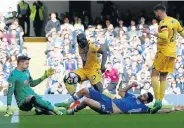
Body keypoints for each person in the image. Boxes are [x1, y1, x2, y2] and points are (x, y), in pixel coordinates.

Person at [142, 4, 184, 113]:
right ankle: (159, 100)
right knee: (163, 77)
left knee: (154, 75)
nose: (157, 16)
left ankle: (157, 101)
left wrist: (150, 32)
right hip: (172, 53)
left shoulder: (163, 22)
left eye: (156, 14)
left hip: (163, 52)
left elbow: (164, 36)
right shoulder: (175, 21)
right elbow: (182, 33)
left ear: (159, 12)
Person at [57, 82, 179, 115]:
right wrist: (131, 85)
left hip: (110, 108)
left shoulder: (143, 108)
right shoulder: (133, 97)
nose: (142, 95)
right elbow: (121, 92)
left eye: (145, 96)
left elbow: (157, 111)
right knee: (84, 90)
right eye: (143, 94)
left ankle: (71, 112)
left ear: (146, 101)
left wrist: (173, 109)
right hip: (108, 100)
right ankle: (66, 103)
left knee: (86, 101)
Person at [55, 33, 107, 107]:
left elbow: (104, 52)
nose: (80, 44)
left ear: (85, 40)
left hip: (93, 70)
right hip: (85, 69)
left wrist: (102, 65)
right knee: (68, 78)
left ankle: (108, 103)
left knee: (99, 91)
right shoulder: (79, 46)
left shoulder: (92, 46)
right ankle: (75, 101)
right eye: (78, 42)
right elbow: (84, 59)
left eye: (81, 42)